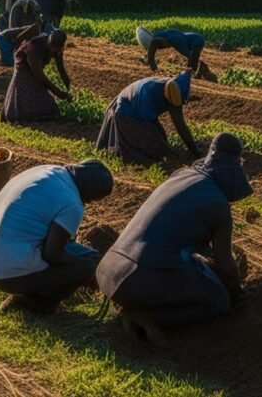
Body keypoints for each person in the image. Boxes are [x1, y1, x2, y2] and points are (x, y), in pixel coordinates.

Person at [97, 133, 251, 347]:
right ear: (235, 170)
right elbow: (226, 265)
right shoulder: (218, 206)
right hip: (139, 279)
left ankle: (134, 306)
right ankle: (147, 318)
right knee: (219, 301)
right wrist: (239, 293)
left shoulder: (181, 175)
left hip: (109, 272)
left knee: (195, 267)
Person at [0, 160, 114, 314]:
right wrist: (84, 268)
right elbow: (52, 255)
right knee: (86, 267)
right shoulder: (72, 204)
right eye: (93, 199)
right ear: (91, 192)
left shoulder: (48, 171)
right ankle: (36, 302)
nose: (89, 203)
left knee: (88, 257)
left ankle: (38, 289)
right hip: (4, 273)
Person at [96, 71, 199, 165]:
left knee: (160, 140)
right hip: (127, 113)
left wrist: (192, 147)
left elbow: (180, 123)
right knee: (150, 145)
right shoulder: (148, 92)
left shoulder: (174, 91)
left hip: (140, 110)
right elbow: (145, 123)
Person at [1, 29, 72, 123]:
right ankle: (16, 115)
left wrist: (68, 88)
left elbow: (61, 69)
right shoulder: (34, 46)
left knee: (49, 106)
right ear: (48, 41)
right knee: (29, 97)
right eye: (51, 48)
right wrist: (58, 92)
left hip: (35, 70)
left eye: (55, 49)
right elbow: (38, 74)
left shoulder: (58, 47)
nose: (53, 50)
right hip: (23, 68)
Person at [136, 26, 213, 80]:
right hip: (186, 37)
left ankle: (198, 71)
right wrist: (149, 58)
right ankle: (197, 71)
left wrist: (189, 70)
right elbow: (153, 46)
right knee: (192, 60)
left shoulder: (176, 41)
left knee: (193, 60)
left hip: (198, 41)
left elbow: (189, 56)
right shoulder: (160, 36)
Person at [0, 0, 42, 67]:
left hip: (11, 36)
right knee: (11, 62)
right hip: (4, 39)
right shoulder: (27, 29)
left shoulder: (31, 25)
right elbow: (17, 41)